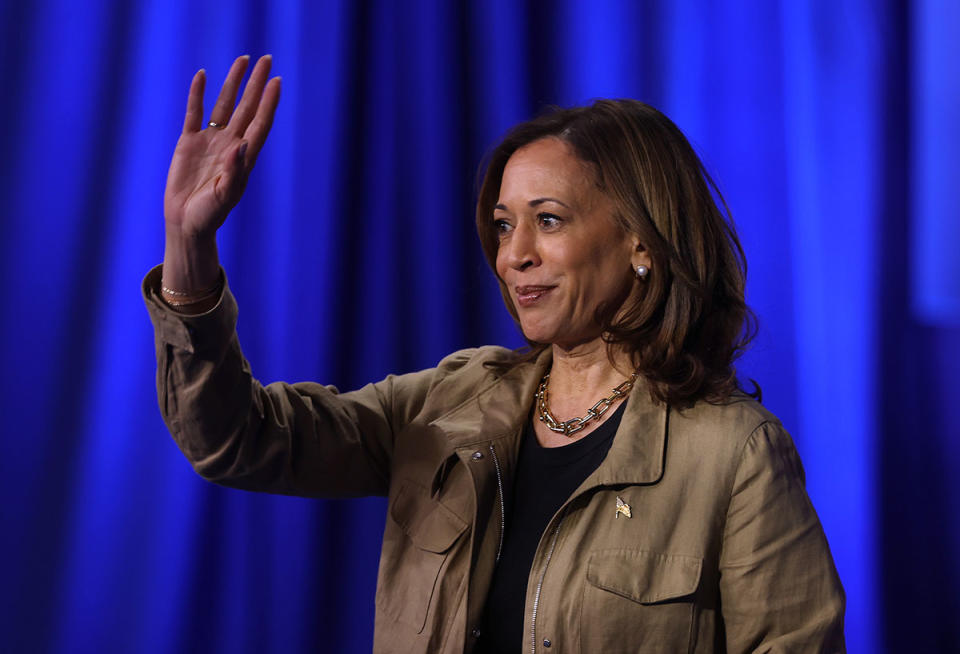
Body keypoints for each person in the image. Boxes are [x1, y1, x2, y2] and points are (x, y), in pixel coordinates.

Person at [144, 54, 846, 653]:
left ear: (642, 242)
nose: (514, 256)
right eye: (505, 225)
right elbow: (239, 439)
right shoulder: (448, 403)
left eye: (548, 221)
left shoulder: (734, 457)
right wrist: (188, 247)